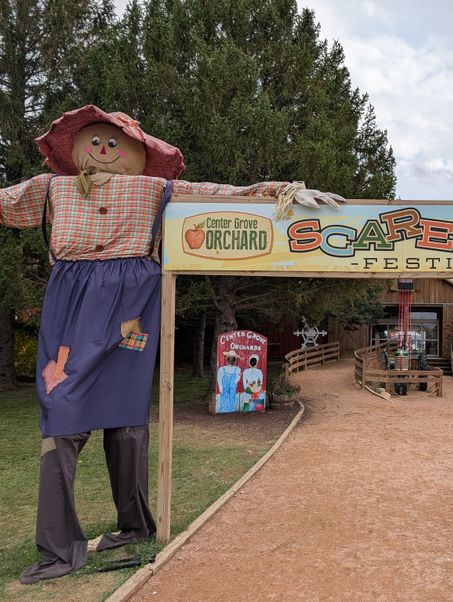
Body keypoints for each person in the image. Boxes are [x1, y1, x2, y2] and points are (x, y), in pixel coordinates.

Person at [0, 105, 343, 584]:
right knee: (60, 413)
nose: (103, 150)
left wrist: (284, 191)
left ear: (140, 152)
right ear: (76, 148)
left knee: (126, 416)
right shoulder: (51, 188)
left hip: (131, 304)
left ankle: (135, 525)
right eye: (95, 141)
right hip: (71, 301)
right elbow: (3, 202)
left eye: (114, 142)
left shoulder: (157, 190)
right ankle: (60, 548)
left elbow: (221, 194)